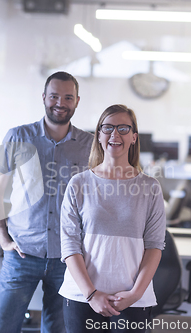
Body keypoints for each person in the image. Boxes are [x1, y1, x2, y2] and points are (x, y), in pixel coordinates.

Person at [0, 71, 94, 333]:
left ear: (77, 101)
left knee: (57, 329)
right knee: (4, 327)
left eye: (68, 97)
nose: (60, 102)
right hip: (22, 253)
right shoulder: (18, 137)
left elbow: (97, 198)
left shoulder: (90, 145)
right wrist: (3, 239)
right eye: (54, 96)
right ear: (43, 97)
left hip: (68, 257)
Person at [59, 104, 166, 333]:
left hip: (132, 298)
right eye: (107, 128)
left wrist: (135, 294)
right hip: (82, 297)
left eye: (123, 128)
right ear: (98, 135)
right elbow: (69, 245)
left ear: (134, 137)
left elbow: (154, 247)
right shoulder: (78, 184)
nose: (114, 134)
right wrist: (92, 294)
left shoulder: (150, 187)